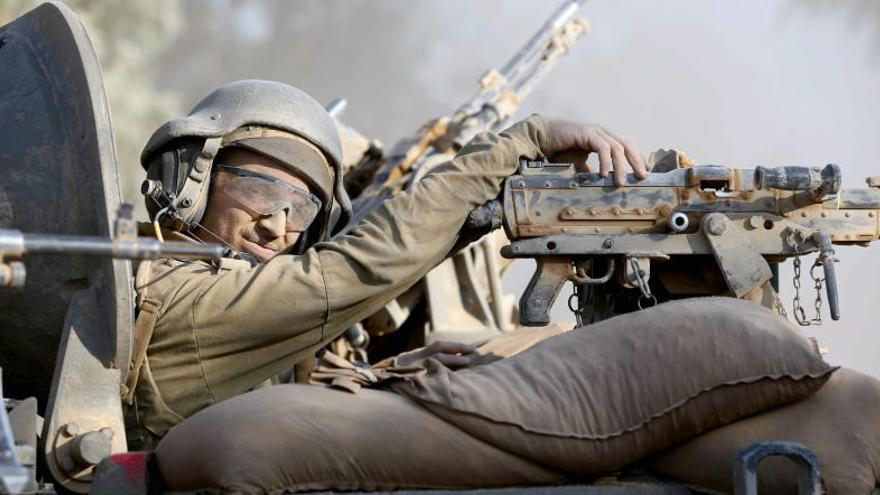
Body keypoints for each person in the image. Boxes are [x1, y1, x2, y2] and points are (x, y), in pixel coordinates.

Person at [125, 79, 648, 449]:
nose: (278, 224)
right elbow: (358, 269)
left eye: (303, 206)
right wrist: (523, 144)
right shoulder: (174, 292)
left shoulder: (220, 285)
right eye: (260, 190)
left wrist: (380, 375)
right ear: (190, 180)